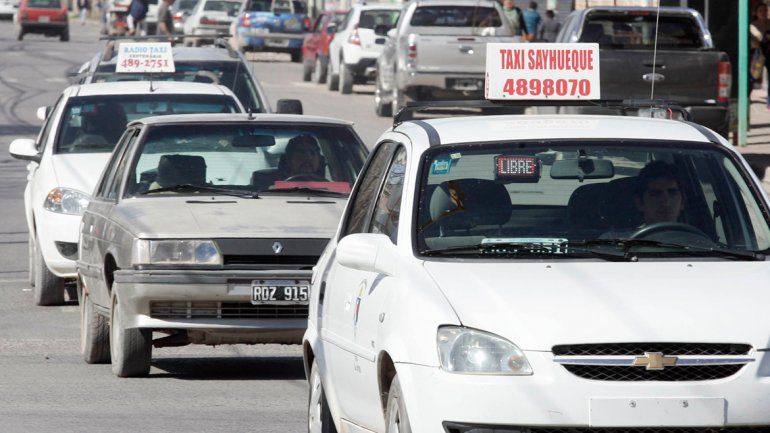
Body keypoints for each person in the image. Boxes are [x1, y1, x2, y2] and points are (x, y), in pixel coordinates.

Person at [633, 161, 685, 226]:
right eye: (656, 194)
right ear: (639, 202)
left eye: (673, 193)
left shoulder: (696, 236)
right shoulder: (625, 236)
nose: (666, 202)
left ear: (682, 202)